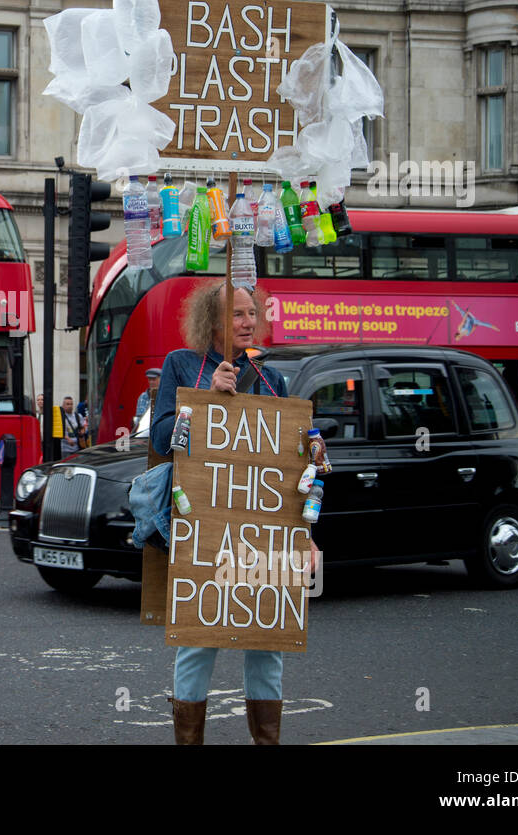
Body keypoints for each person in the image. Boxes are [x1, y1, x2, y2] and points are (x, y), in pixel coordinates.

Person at [152, 279, 294, 746]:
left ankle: (266, 741)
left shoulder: (275, 377)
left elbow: (290, 456)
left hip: (263, 531)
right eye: (237, 314)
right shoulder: (182, 365)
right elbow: (161, 440)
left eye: (253, 313)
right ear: (212, 321)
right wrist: (206, 401)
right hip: (204, 528)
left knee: (267, 643)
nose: (249, 322)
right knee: (199, 639)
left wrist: (307, 528)